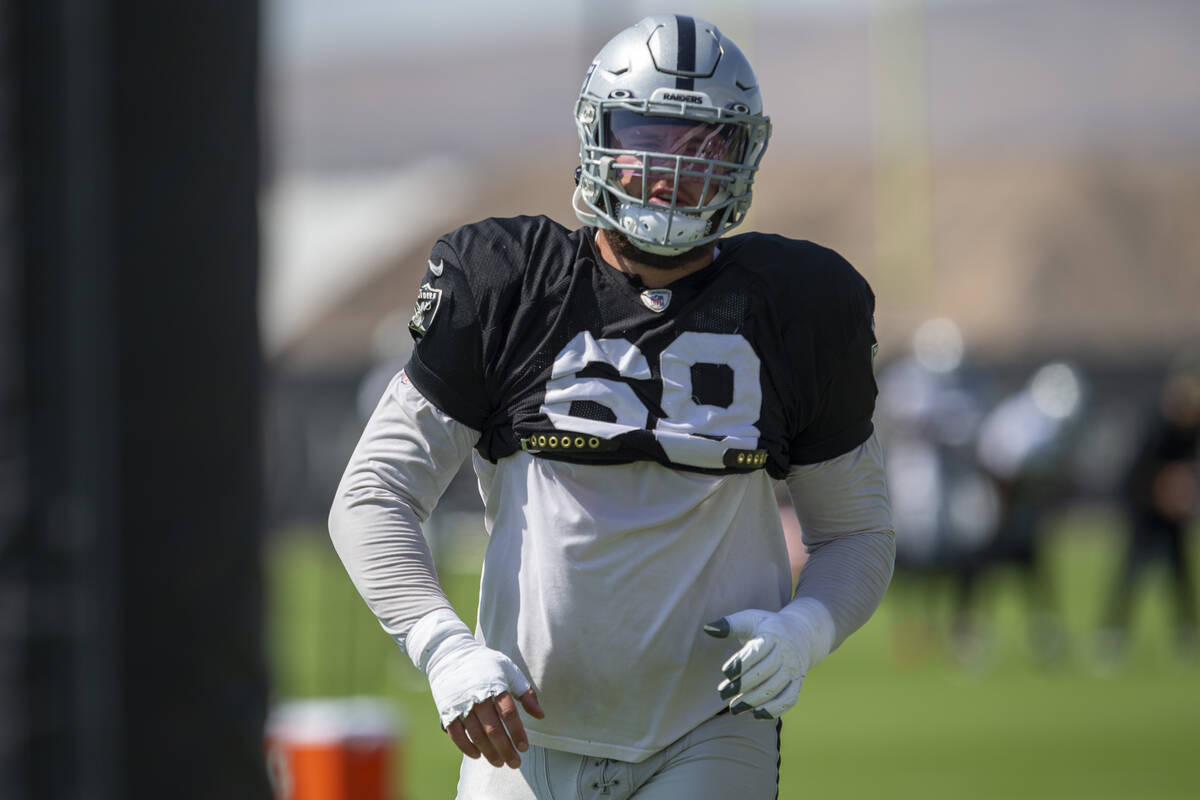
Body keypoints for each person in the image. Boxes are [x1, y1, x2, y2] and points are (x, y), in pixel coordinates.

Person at [329, 15, 895, 799]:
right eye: (648, 135)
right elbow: (373, 494)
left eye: (702, 145)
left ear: (744, 155)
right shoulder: (507, 281)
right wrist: (444, 647)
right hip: (521, 736)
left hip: (708, 726)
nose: (670, 168)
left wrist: (805, 631)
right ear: (598, 134)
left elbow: (858, 532)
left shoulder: (799, 305)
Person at [1097, 355, 1200, 666]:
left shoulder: (1192, 427)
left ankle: (1186, 635)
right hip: (1143, 506)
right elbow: (1140, 472)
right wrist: (1167, 489)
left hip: (1171, 512)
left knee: (1179, 574)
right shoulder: (1156, 424)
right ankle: (1113, 636)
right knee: (1133, 572)